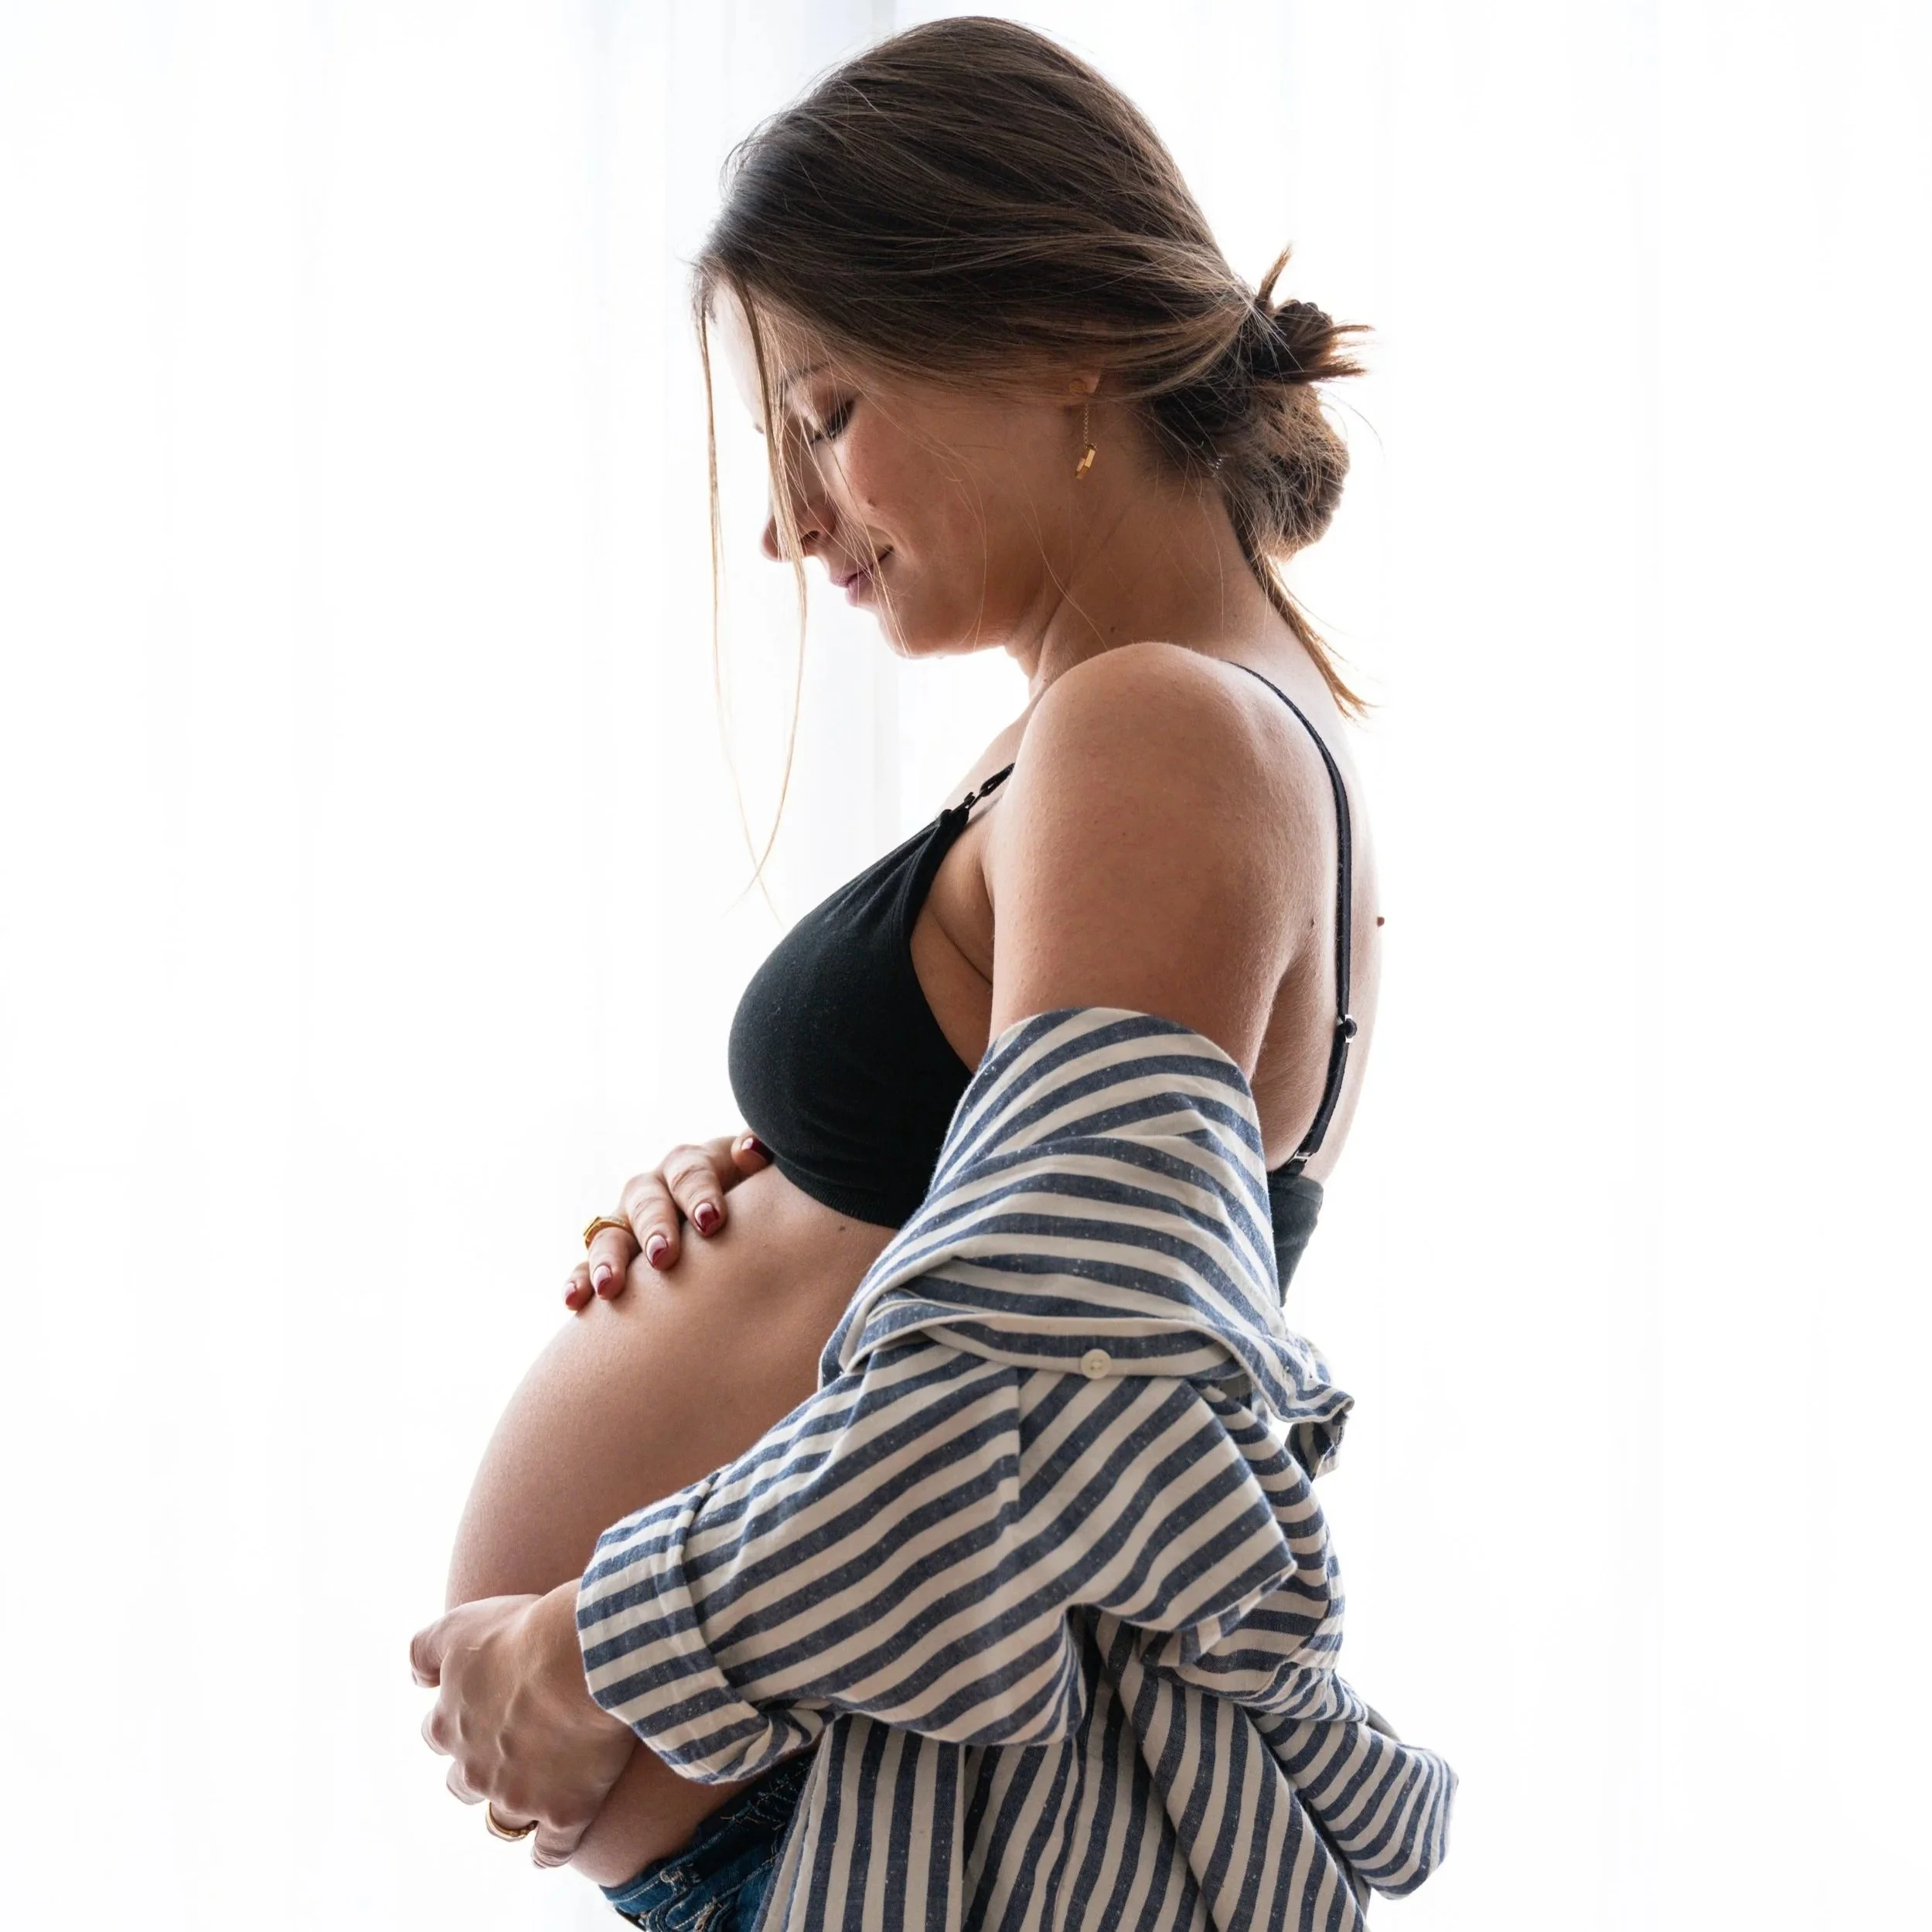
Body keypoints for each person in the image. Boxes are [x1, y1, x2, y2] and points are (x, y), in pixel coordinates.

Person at [411, 17, 1454, 1929]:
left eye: (823, 412)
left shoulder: (1159, 729)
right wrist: (786, 1184)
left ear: (1056, 334)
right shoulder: (1143, 732)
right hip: (857, 1821)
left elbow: (1042, 1377)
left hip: (898, 1833)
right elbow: (1022, 1257)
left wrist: (598, 1650)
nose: (787, 518)